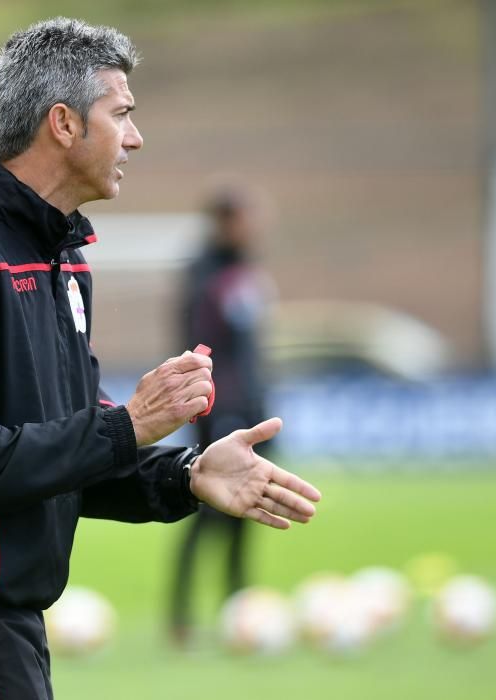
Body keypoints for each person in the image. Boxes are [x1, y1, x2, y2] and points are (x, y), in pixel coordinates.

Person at [0, 17, 319, 700]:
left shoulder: (60, 260)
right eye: (121, 114)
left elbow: (59, 453)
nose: (136, 138)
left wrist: (186, 475)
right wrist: (129, 425)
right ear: (62, 123)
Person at [169, 187, 278, 646]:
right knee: (205, 511)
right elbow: (199, 346)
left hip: (253, 405)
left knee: (248, 509)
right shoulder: (203, 275)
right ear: (223, 221)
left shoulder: (245, 267)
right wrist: (210, 404)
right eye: (242, 217)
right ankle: (180, 616)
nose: (251, 224)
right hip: (222, 409)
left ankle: (239, 607)